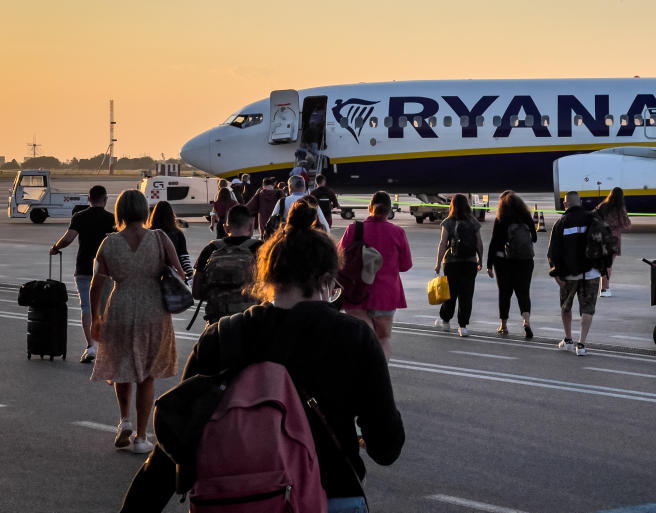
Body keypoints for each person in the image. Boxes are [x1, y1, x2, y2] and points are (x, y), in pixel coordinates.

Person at [119, 200, 405, 513]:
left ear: (266, 275)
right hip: (332, 494)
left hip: (238, 500)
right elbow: (387, 448)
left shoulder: (222, 336)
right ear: (327, 279)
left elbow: (173, 442)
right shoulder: (354, 335)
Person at [89, 190, 184, 454]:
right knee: (147, 373)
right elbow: (180, 274)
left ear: (120, 212)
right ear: (144, 211)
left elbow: (96, 284)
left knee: (122, 366)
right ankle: (142, 437)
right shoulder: (160, 238)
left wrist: (96, 316)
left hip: (120, 307)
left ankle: (124, 420)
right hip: (153, 310)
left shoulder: (108, 243)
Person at [337, 191, 412, 359]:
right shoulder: (398, 232)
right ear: (389, 210)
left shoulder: (353, 229)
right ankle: (380, 376)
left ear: (369, 208)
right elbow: (406, 265)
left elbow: (338, 258)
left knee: (362, 342)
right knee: (383, 339)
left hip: (356, 294)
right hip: (386, 296)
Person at [49, 185, 116, 363]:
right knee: (107, 308)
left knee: (87, 308)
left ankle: (91, 347)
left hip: (84, 269)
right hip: (107, 270)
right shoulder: (112, 218)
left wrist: (55, 248)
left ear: (89, 199)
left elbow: (68, 239)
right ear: (105, 199)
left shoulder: (79, 217)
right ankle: (108, 348)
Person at [191, 204, 263, 325]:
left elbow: (196, 293)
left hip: (216, 324)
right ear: (251, 227)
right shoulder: (260, 249)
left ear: (226, 228)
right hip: (249, 323)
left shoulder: (210, 249)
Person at [547, 191, 599, 357]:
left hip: (569, 274)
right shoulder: (594, 219)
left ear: (565, 204)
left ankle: (568, 340)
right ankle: (582, 344)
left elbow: (553, 252)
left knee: (565, 306)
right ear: (581, 202)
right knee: (588, 308)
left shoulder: (561, 223)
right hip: (591, 272)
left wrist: (556, 273)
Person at [486, 190, 537, 338]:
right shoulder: (526, 217)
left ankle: (503, 325)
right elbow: (533, 238)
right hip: (525, 260)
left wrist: (489, 264)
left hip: (504, 261)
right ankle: (526, 321)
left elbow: (494, 243)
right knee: (523, 292)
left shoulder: (501, 218)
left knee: (504, 293)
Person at [433, 194, 483, 337]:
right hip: (470, 262)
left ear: (452, 206)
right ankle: (463, 326)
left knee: (450, 293)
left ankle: (446, 321)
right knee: (466, 294)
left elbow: (443, 244)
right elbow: (479, 242)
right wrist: (480, 259)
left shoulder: (448, 222)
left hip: (451, 263)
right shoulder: (474, 222)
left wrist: (438, 263)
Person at [593, 186, 631, 297]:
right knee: (608, 265)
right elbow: (627, 224)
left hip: (602, 238)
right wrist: (617, 227)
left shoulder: (603, 206)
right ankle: (605, 289)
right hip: (614, 240)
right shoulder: (620, 209)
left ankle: (602, 287)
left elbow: (593, 217)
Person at [147, 200, 193, 281]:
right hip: (172, 277)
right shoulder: (178, 234)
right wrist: (190, 275)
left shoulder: (148, 233)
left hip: (152, 277)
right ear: (171, 215)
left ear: (154, 216)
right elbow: (184, 258)